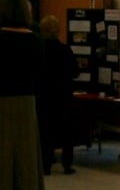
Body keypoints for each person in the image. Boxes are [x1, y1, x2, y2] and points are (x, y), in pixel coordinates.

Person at [0, 0, 46, 189]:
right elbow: (38, 72)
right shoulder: (35, 39)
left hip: (1, 102)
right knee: (25, 156)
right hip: (26, 103)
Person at [37, 15, 79, 175]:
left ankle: (46, 165)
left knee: (45, 131)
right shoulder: (65, 50)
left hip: (44, 96)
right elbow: (75, 72)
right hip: (63, 96)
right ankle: (67, 164)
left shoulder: (40, 49)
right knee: (66, 131)